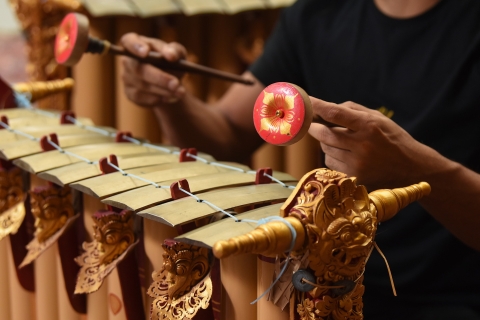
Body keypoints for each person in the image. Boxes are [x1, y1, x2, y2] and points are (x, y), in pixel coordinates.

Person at [120, 0, 480, 318]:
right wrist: (168, 95)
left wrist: (416, 168)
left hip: (453, 297)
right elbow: (226, 135)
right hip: (324, 287)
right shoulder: (317, 13)